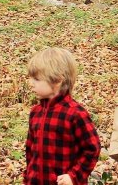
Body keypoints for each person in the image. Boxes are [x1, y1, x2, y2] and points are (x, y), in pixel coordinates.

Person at [24, 47, 101, 185]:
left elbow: (92, 148)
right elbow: (30, 149)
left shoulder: (75, 114)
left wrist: (73, 176)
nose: (31, 83)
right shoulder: (35, 112)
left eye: (36, 79)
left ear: (57, 80)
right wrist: (28, 177)